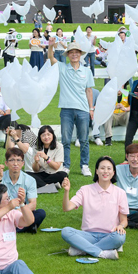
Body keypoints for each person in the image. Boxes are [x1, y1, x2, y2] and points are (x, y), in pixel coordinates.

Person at [61, 156, 128, 260]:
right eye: (102, 168)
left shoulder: (120, 193)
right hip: (88, 235)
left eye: (109, 168)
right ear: (96, 171)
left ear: (113, 172)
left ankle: (82, 250)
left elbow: (124, 220)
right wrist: (66, 191)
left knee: (120, 237)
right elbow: (67, 207)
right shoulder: (85, 190)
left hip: (109, 235)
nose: (105, 171)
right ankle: (103, 252)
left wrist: (121, 226)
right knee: (66, 231)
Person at [48, 41, 95, 177]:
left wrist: (91, 109)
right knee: (66, 140)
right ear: (68, 55)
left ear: (80, 54)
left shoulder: (86, 71)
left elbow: (89, 90)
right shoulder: (62, 67)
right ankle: (66, 165)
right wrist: (51, 45)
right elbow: (51, 58)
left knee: (84, 139)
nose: (74, 55)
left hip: (83, 109)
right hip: (66, 109)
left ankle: (84, 165)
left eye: (76, 52)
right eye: (71, 52)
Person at [0, 147, 45, 233]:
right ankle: (29, 226)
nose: (15, 163)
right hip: (5, 212)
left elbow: (33, 204)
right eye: (12, 160)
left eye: (18, 160)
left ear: (23, 163)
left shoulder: (30, 180)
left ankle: (13, 228)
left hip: (22, 211)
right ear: (6, 163)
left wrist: (18, 211)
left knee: (41, 213)